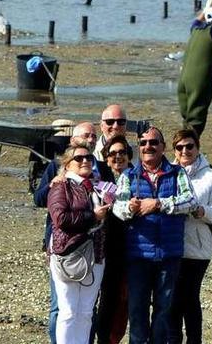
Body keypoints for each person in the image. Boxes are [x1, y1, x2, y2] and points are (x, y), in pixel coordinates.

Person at [112, 126, 199, 344]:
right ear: (139, 148)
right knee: (137, 311)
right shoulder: (128, 176)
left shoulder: (177, 173)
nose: (148, 146)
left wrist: (159, 204)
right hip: (138, 256)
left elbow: (191, 202)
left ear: (163, 147)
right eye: (143, 143)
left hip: (168, 255)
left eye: (153, 142)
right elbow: (117, 207)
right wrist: (130, 208)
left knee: (163, 312)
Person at [35, 121, 110, 344]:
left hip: (96, 253)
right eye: (79, 158)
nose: (85, 161)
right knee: (66, 311)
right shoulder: (60, 185)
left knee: (86, 311)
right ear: (67, 164)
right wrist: (92, 216)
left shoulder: (98, 183)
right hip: (67, 252)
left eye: (89, 158)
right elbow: (60, 218)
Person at [168, 128, 212, 344]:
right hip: (172, 244)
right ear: (174, 150)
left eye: (189, 146)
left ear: (197, 147)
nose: (185, 151)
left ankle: (194, 340)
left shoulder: (211, 176)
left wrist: (201, 211)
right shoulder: (168, 172)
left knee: (190, 297)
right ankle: (173, 340)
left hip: (199, 248)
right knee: (172, 298)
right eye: (179, 147)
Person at [94, 135, 134, 344]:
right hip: (105, 248)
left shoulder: (137, 178)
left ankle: (114, 339)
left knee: (125, 300)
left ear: (129, 156)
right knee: (105, 300)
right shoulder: (100, 179)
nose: (118, 157)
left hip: (131, 247)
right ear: (106, 158)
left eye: (122, 153)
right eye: (113, 154)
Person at [177, 0, 212, 138]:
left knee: (187, 117)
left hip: (183, 81)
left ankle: (183, 147)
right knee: (196, 119)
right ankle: (190, 151)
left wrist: (206, 9)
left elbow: (196, 21)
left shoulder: (196, 30)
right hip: (200, 82)